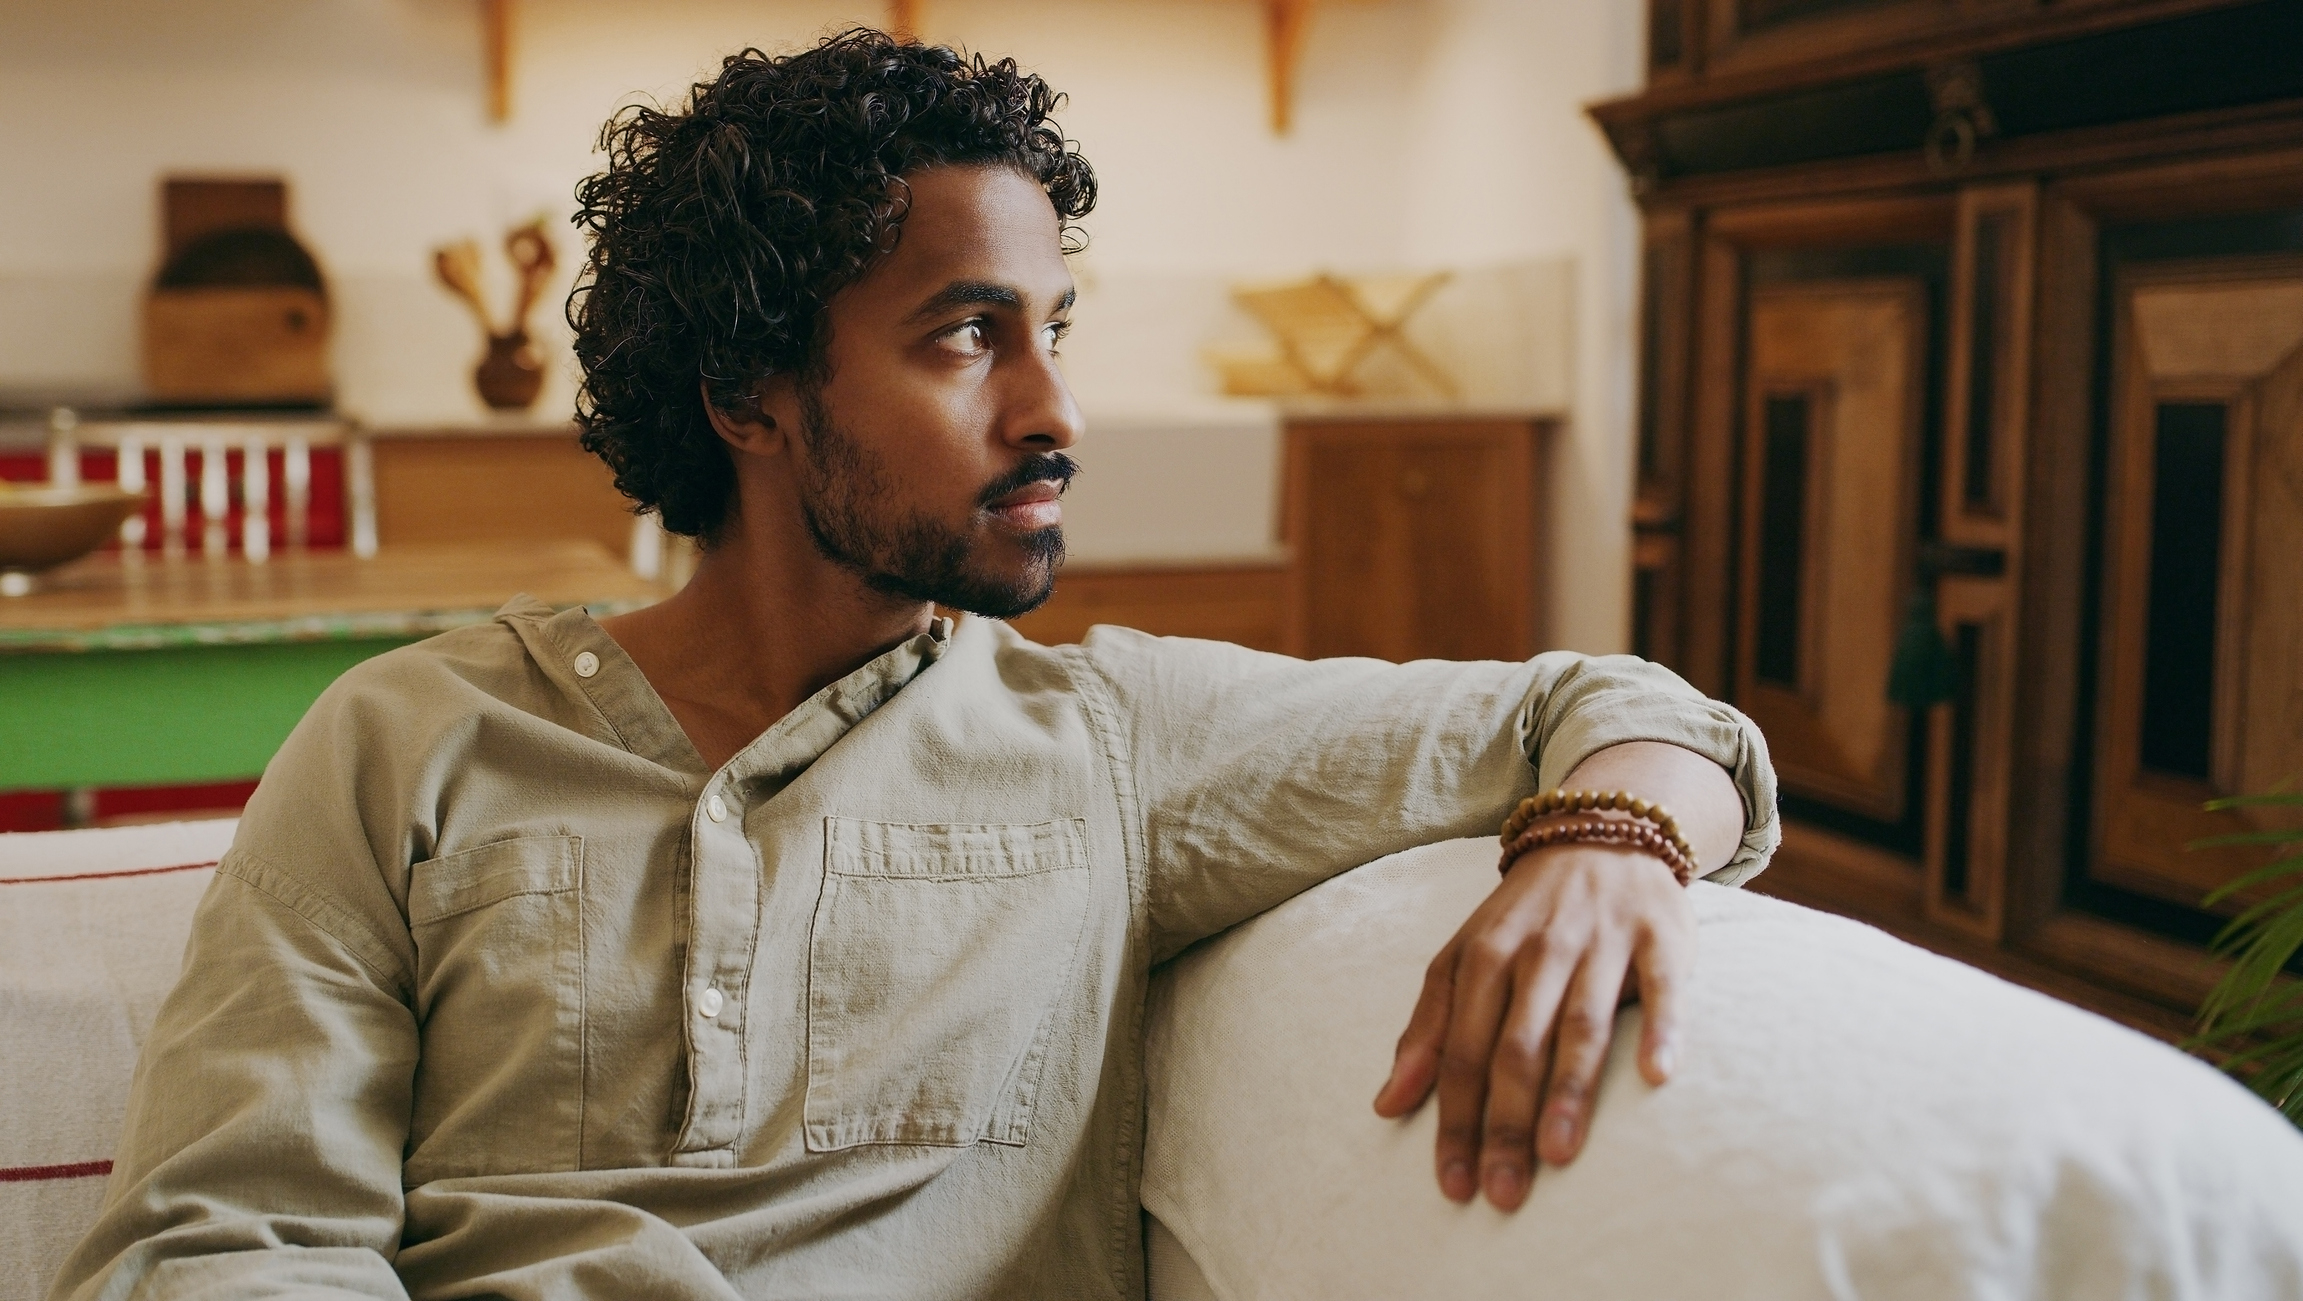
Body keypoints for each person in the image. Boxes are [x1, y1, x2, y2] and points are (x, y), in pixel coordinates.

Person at [52, 29, 1776, 1301]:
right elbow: (223, 1232)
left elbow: (1622, 711)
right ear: (749, 396)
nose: (1056, 411)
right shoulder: (407, 739)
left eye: (1055, 331)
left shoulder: (1118, 739)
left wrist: (1612, 842)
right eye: (968, 335)